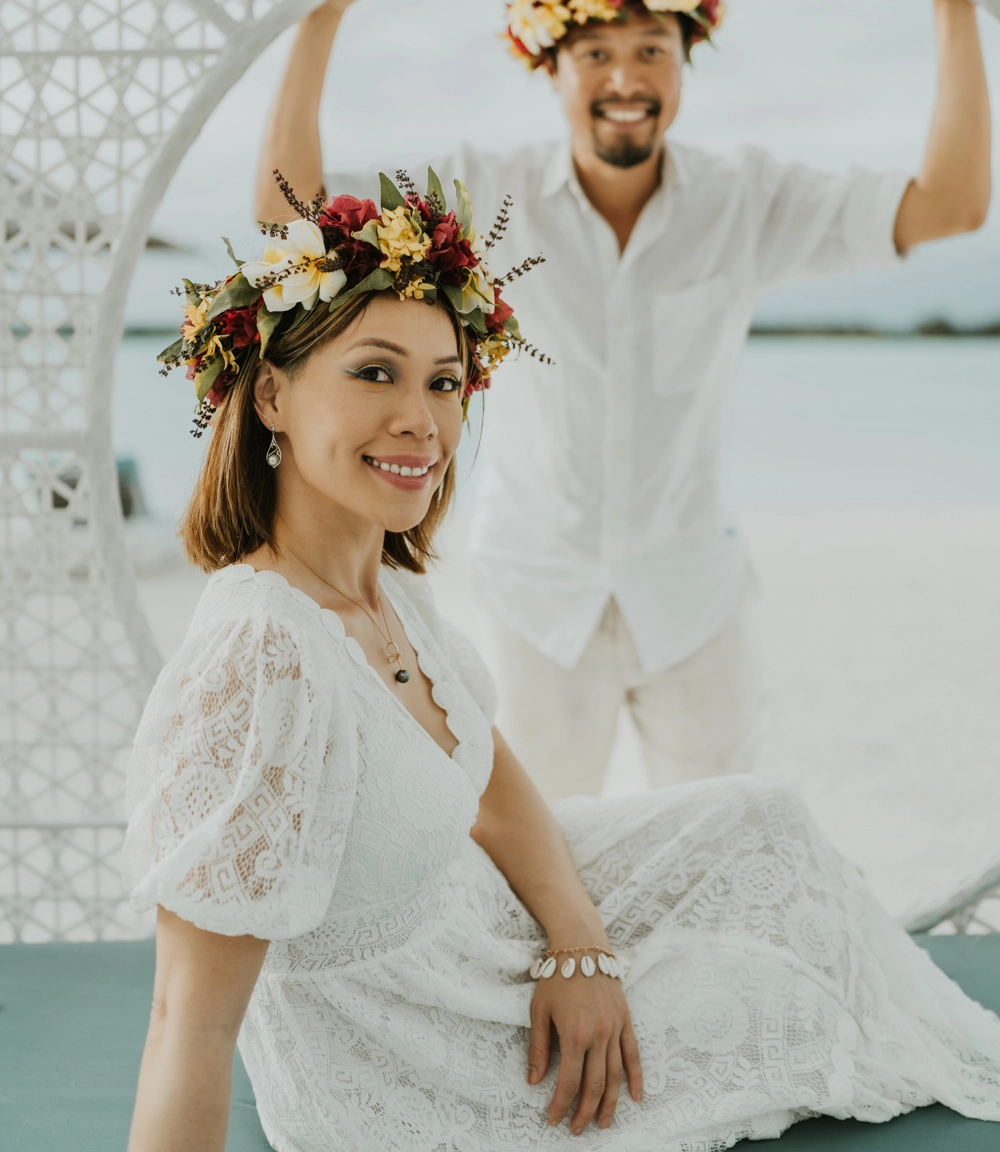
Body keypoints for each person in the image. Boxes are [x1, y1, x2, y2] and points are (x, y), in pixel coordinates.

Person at [125, 177, 1000, 1152]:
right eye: (376, 373)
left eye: (445, 381)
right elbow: (185, 1016)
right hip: (429, 1059)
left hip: (482, 926)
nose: (422, 420)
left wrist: (579, 945)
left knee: (768, 820)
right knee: (778, 989)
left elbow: (486, 774)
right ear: (274, 393)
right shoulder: (262, 657)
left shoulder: (386, 590)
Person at [252, 0, 991, 805]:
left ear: (685, 65)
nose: (625, 77)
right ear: (551, 68)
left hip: (694, 597)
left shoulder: (746, 200)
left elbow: (952, 205)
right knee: (528, 865)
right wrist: (322, 14)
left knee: (723, 847)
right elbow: (287, 210)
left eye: (653, 50)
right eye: (595, 53)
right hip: (536, 599)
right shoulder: (485, 190)